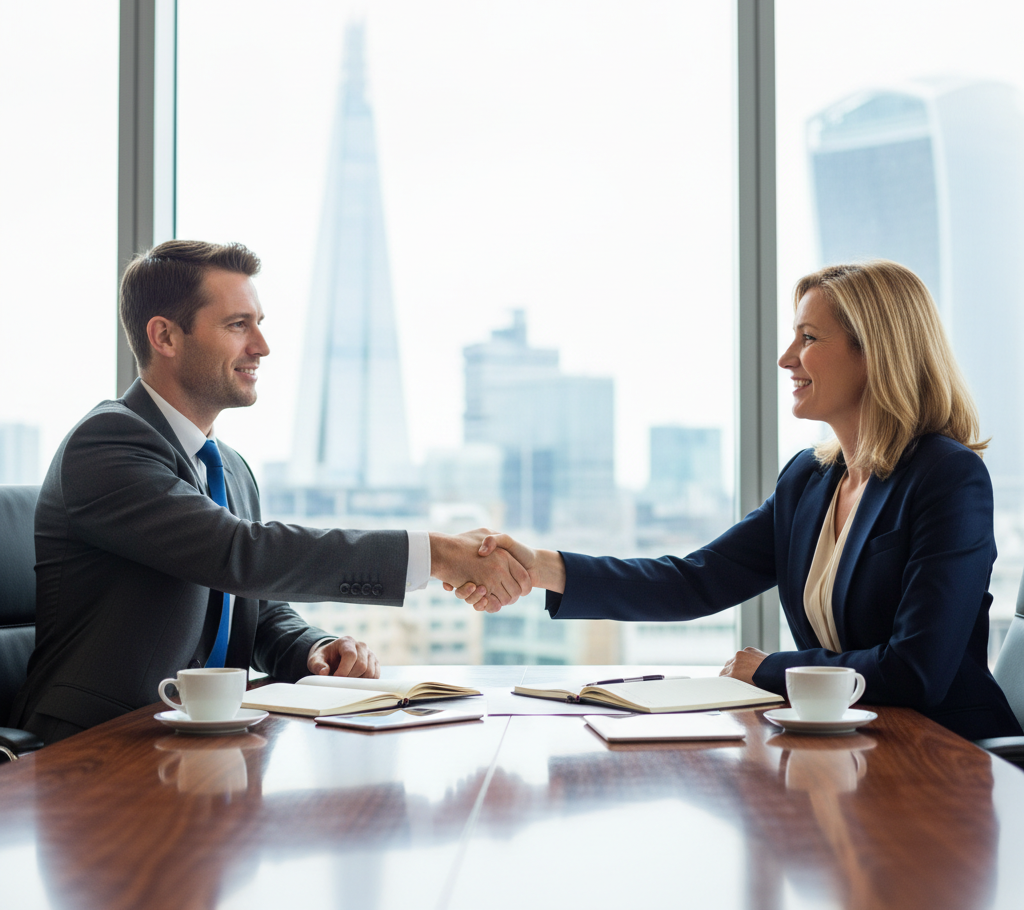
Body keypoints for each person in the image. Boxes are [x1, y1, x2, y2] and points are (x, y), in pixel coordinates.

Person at [467, 260, 1023, 741]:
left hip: (951, 758)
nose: (786, 359)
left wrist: (769, 669)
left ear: (874, 352)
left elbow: (916, 670)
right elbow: (695, 580)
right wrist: (539, 567)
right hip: (851, 746)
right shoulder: (809, 479)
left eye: (808, 338)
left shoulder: (947, 476)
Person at [13, 240, 527, 744]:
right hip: (98, 750)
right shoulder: (105, 444)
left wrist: (314, 648)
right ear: (165, 336)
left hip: (213, 745)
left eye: (259, 324)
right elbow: (240, 555)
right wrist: (435, 554)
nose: (261, 346)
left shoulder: (230, 469)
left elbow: (252, 606)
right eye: (238, 325)